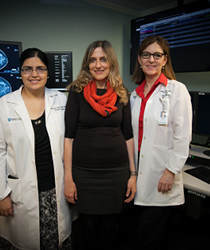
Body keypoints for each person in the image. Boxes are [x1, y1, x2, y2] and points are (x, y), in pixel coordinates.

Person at [0, 48, 72, 250]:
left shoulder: (61, 100)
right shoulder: (5, 105)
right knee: (22, 242)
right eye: (27, 69)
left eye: (40, 69)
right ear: (20, 72)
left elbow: (71, 142)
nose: (34, 74)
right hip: (18, 194)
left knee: (55, 241)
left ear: (48, 72)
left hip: (54, 190)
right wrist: (0, 195)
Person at [64, 40, 136, 250]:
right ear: (87, 64)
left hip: (116, 174)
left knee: (112, 229)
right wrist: (68, 178)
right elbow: (68, 138)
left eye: (103, 59)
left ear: (111, 62)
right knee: (87, 228)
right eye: (93, 60)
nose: (98, 65)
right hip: (84, 174)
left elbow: (128, 136)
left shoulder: (122, 93)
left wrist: (133, 174)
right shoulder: (77, 93)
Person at [130, 35, 192, 250]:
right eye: (146, 55)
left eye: (157, 55)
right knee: (138, 235)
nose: (151, 60)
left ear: (165, 60)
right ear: (139, 59)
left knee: (152, 237)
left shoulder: (177, 90)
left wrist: (170, 171)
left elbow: (183, 136)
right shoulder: (134, 95)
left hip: (161, 177)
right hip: (137, 176)